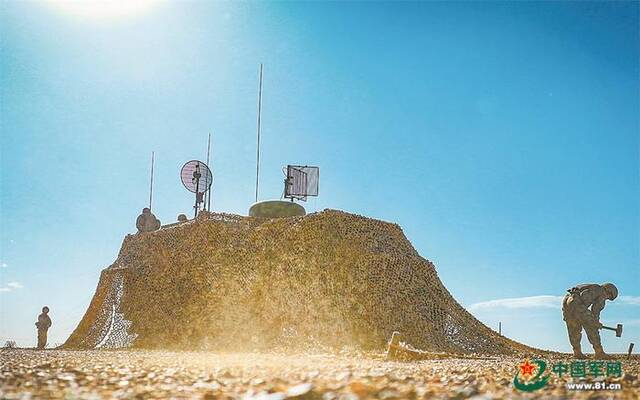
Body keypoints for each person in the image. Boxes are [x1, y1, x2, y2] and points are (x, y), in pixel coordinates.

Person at [562, 283, 618, 359]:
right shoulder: (599, 290)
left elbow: (594, 311)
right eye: (608, 296)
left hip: (568, 303)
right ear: (607, 290)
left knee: (574, 329)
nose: (606, 298)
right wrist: (595, 323)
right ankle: (599, 352)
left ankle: (577, 352)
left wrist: (596, 322)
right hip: (576, 304)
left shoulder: (592, 289)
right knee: (590, 327)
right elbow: (594, 310)